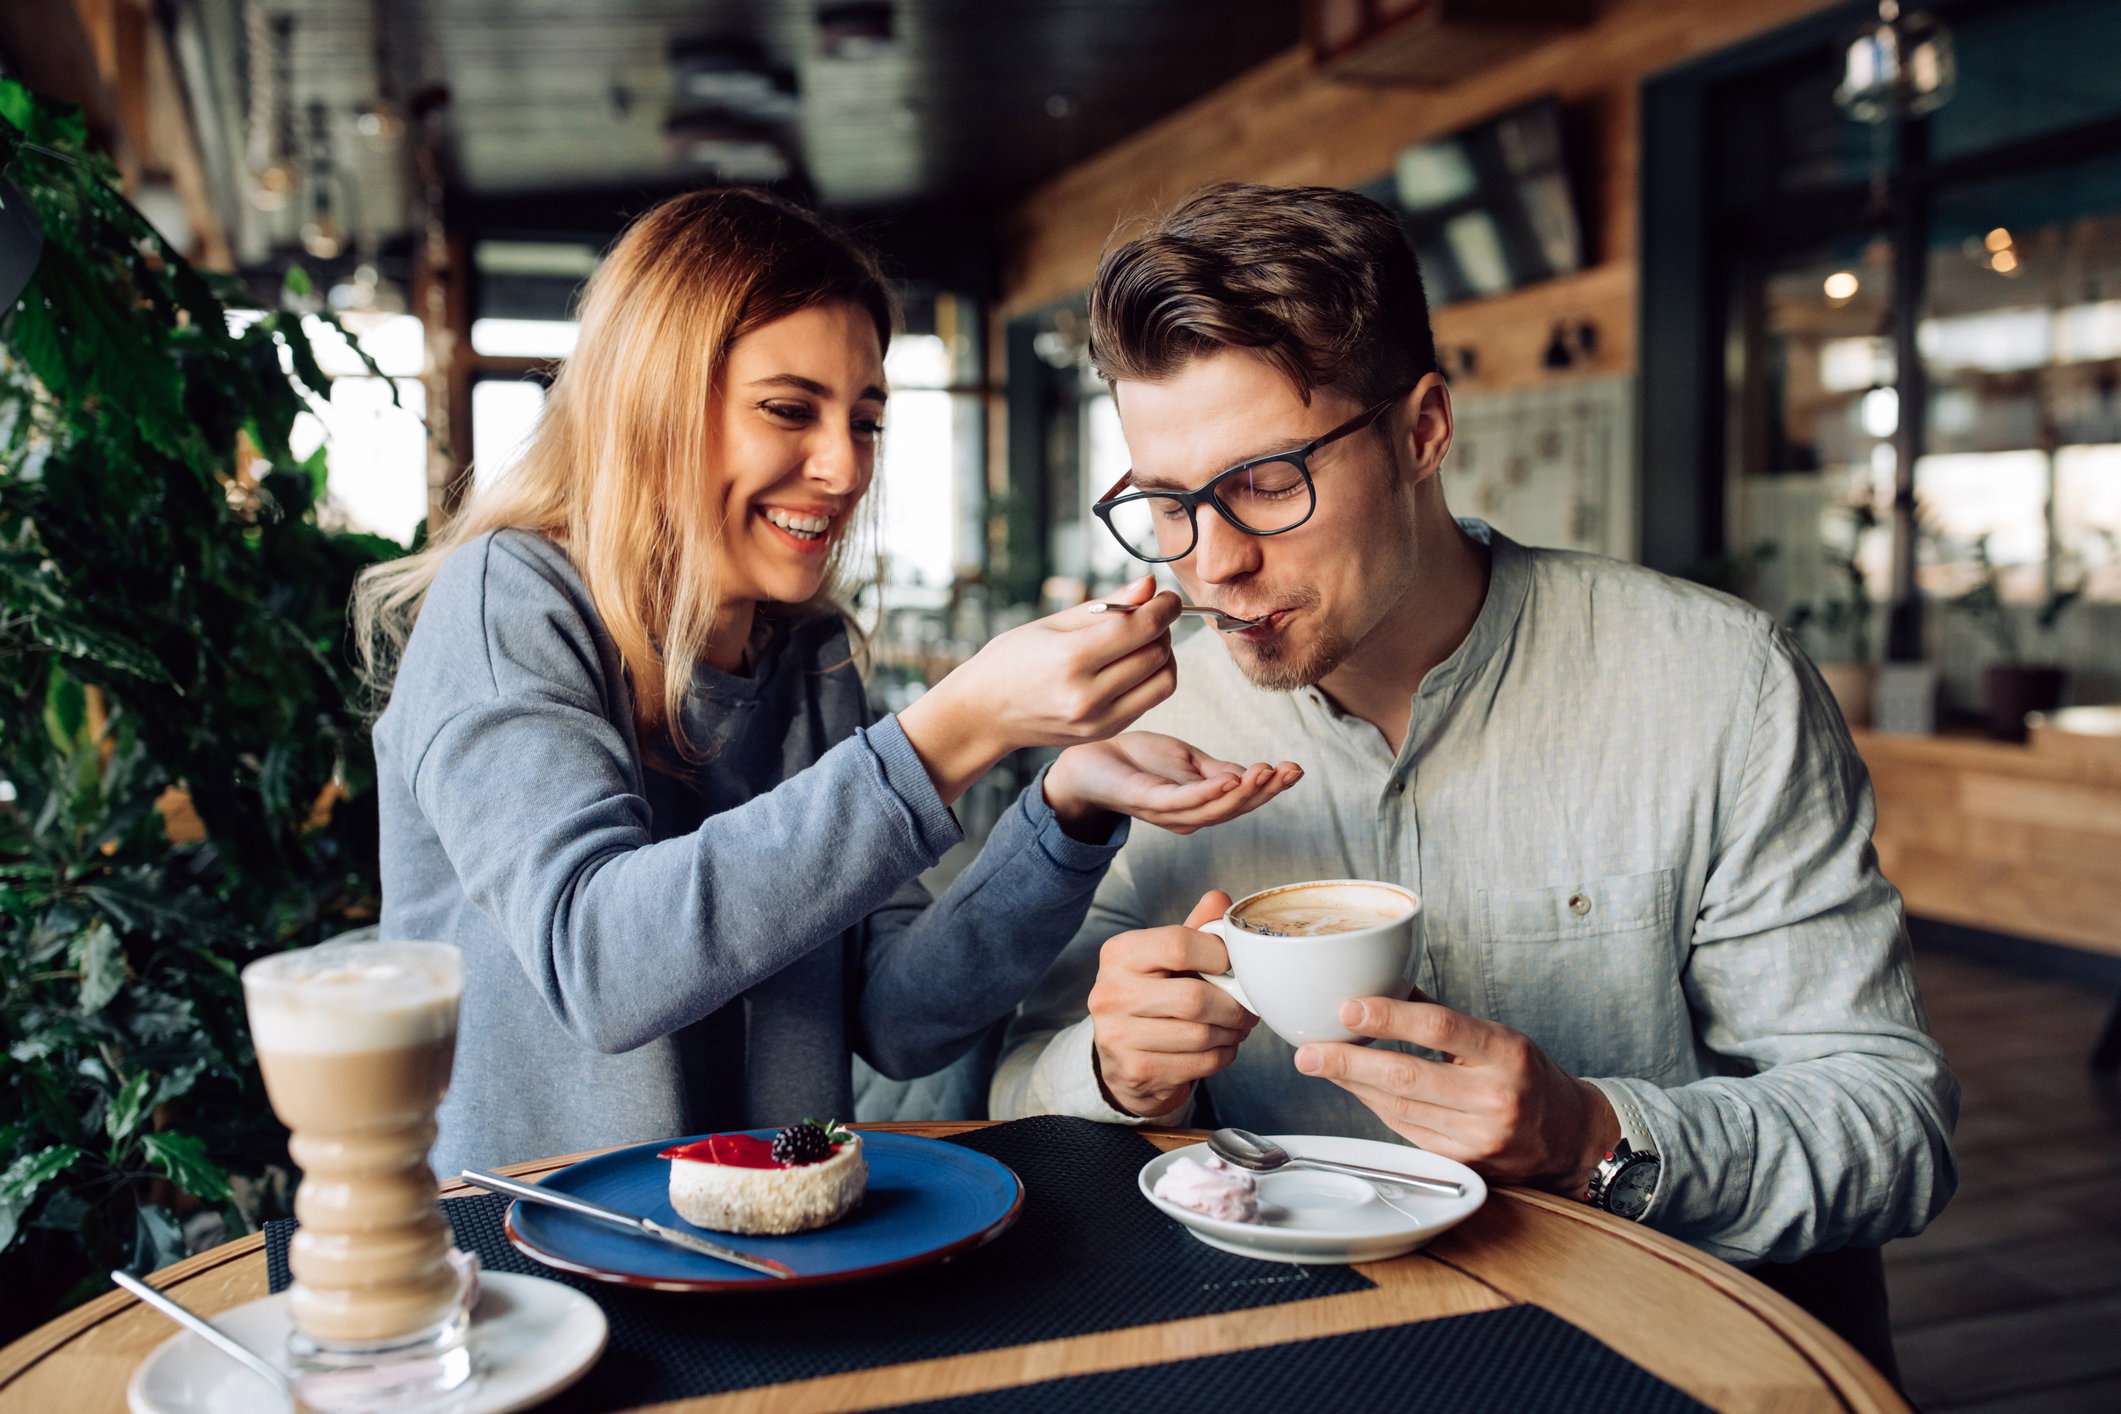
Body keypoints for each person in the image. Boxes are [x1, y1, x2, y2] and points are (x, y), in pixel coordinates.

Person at [991, 183, 1955, 1374]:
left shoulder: (1718, 684)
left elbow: (1891, 1123)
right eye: (1166, 504)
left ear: (1422, 430)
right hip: (1273, 1355)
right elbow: (1016, 1091)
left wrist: (1594, 1136)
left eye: (1265, 481)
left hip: (1641, 1358)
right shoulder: (1149, 720)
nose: (1214, 562)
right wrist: (1113, 1071)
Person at [354, 189, 1301, 1179]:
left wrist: (1063, 809)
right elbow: (599, 964)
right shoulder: (507, 601)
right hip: (531, 1264)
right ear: (652, 405)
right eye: (789, 410)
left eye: (866, 420)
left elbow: (898, 1017)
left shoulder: (810, 659)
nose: (843, 466)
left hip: (770, 1259)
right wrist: (951, 729)